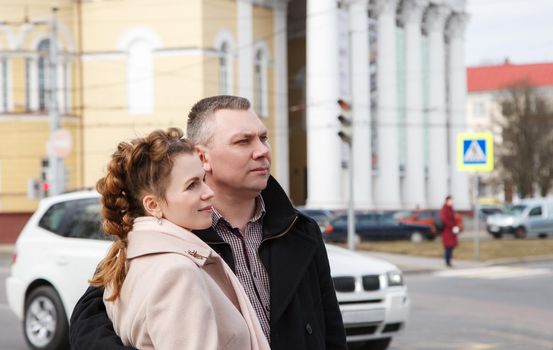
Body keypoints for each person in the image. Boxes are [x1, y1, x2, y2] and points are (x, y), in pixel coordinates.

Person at [70, 95, 347, 350]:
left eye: (264, 138)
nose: (262, 150)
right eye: (243, 141)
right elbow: (89, 322)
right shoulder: (176, 236)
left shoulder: (300, 229)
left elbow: (332, 331)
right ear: (203, 158)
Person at [88, 128, 269, 349]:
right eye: (192, 185)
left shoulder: (128, 259)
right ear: (153, 205)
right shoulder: (176, 272)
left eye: (203, 179)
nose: (208, 192)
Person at [439, 195, 460, 267]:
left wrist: (455, 226)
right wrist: (452, 226)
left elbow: (454, 218)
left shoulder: (451, 209)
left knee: (451, 246)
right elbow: (444, 220)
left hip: (451, 231)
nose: (452, 202)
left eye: (452, 201)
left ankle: (449, 261)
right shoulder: (444, 209)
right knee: (448, 246)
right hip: (447, 231)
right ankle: (447, 262)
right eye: (451, 201)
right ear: (447, 201)